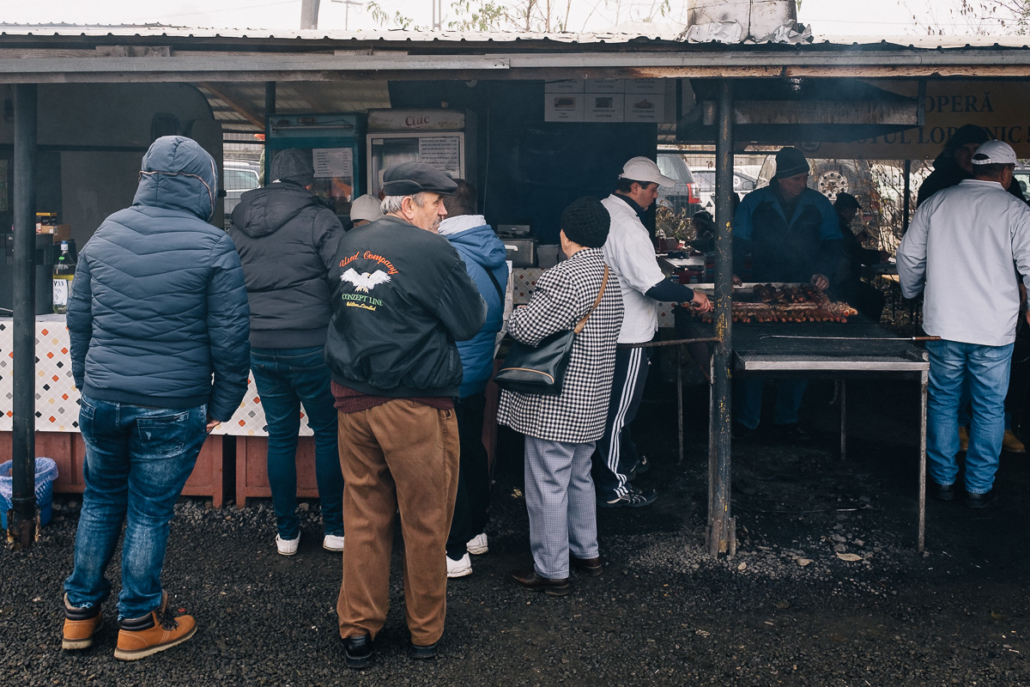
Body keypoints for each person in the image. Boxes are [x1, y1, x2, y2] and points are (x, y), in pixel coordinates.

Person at [62, 136, 251, 660]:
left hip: (103, 398)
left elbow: (80, 321)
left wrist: (88, 381)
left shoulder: (105, 233)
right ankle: (138, 621)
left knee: (99, 502)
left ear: (146, 178)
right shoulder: (213, 244)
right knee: (147, 512)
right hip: (173, 402)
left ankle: (79, 616)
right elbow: (231, 337)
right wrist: (223, 404)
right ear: (205, 187)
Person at [325, 162, 486, 668]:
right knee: (425, 519)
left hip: (352, 402)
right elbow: (469, 321)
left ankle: (358, 630)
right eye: (436, 200)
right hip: (415, 404)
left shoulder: (349, 243)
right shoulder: (433, 250)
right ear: (410, 202)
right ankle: (424, 632)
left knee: (365, 516)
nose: (443, 209)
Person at [500, 196, 624, 596]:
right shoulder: (609, 275)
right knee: (579, 476)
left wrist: (513, 315)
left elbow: (527, 329)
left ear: (564, 234)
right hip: (592, 399)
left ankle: (553, 571)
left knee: (547, 482)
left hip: (558, 400)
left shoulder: (564, 277)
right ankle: (587, 552)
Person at [897, 141, 1030, 509]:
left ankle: (941, 481)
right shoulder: (1016, 211)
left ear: (975, 168)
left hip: (943, 325)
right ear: (1005, 172)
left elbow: (908, 255)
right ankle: (978, 488)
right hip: (992, 329)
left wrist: (911, 292)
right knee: (989, 407)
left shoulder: (938, 203)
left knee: (942, 401)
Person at [229, 148, 346, 556]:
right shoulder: (320, 217)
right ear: (309, 182)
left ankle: (287, 534)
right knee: (328, 433)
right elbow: (343, 277)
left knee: (281, 436)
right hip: (312, 343)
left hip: (259, 344)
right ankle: (335, 528)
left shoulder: (238, 223)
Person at [594, 157, 712, 509]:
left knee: (612, 407)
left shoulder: (603, 211)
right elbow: (654, 287)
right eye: (652, 188)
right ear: (634, 187)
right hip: (627, 333)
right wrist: (693, 295)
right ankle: (612, 486)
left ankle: (626, 460)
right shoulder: (628, 227)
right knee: (617, 414)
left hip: (604, 328)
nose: (656, 195)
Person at [732, 147, 842, 439]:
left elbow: (833, 242)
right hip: (762, 288)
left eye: (805, 178)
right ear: (780, 178)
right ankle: (747, 420)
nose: (802, 184)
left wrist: (824, 272)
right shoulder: (754, 202)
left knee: (799, 352)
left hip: (805, 289)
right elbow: (737, 242)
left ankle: (786, 419)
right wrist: (732, 271)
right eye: (796, 179)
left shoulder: (819, 204)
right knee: (753, 353)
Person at [437, 179, 509, 579]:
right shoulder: (488, 245)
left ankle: (456, 546)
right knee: (471, 448)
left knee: (451, 459)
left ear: (444, 209)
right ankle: (478, 530)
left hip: (451, 367)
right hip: (479, 365)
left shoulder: (449, 252)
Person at [917, 124, 1026, 206]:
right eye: (964, 149)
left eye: (977, 149)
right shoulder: (935, 184)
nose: (971, 155)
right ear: (954, 152)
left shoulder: (1005, 181)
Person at [832, 192, 888, 322]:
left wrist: (856, 241)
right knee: (876, 298)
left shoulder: (835, 224)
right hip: (840, 281)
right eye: (853, 212)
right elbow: (855, 253)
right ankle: (868, 330)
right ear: (846, 210)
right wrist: (878, 255)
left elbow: (849, 247)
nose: (853, 216)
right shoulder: (839, 227)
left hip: (837, 279)